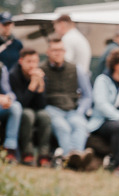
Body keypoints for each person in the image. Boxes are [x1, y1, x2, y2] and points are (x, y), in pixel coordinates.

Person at [42, 37, 92, 167]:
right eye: (54, 50)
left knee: (80, 125)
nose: (58, 53)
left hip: (72, 109)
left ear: (64, 51)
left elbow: (87, 95)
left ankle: (74, 156)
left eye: (61, 50)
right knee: (63, 127)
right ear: (48, 52)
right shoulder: (41, 70)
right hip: (52, 108)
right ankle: (72, 158)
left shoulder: (76, 69)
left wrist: (80, 111)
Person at [9, 47, 51, 166]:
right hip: (20, 110)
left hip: (36, 109)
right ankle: (27, 153)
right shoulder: (13, 75)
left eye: (35, 61)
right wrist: (32, 85)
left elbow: (42, 105)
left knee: (45, 116)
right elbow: (21, 103)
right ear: (21, 61)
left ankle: (44, 155)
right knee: (28, 115)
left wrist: (40, 85)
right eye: (29, 61)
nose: (32, 65)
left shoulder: (40, 75)